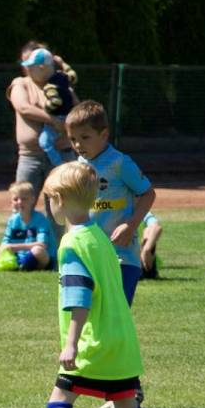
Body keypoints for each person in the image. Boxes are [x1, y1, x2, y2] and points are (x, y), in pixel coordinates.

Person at [34, 162, 182, 408]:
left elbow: (79, 296)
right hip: (120, 343)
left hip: (94, 344)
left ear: (58, 200)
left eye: (48, 200)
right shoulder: (98, 236)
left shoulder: (72, 243)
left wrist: (71, 343)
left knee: (58, 406)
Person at [65, 100, 156, 306]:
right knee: (90, 313)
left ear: (104, 134)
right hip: (89, 254)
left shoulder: (119, 163)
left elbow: (148, 194)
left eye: (85, 137)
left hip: (121, 256)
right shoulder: (79, 166)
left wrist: (130, 225)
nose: (78, 145)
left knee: (117, 314)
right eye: (73, 139)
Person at [6, 41, 77, 202]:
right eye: (25, 62)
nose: (27, 67)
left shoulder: (61, 83)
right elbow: (23, 108)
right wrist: (53, 120)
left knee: (62, 206)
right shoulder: (20, 83)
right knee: (22, 204)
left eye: (32, 62)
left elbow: (77, 110)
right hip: (30, 156)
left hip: (62, 153)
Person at [0, 181, 56, 271]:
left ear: (33, 199)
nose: (19, 202)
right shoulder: (12, 220)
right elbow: (5, 244)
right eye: (15, 199)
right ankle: (19, 265)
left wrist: (13, 247)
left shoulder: (41, 219)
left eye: (24, 199)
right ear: (11, 202)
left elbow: (42, 245)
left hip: (42, 257)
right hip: (18, 256)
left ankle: (21, 265)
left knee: (38, 250)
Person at [22, 47, 76, 168]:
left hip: (59, 118)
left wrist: (44, 107)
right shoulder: (63, 77)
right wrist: (62, 63)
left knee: (44, 142)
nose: (29, 71)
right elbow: (73, 75)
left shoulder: (49, 87)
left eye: (32, 68)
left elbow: (55, 102)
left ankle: (58, 164)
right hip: (68, 116)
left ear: (42, 68)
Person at [139, 212, 163, 279]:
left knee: (148, 232)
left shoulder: (140, 210)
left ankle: (147, 270)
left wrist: (146, 250)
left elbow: (157, 228)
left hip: (144, 262)